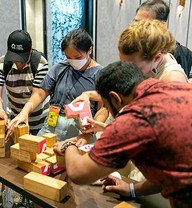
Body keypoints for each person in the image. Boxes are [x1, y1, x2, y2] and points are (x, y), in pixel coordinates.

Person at [53, 61, 192, 208]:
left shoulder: (133, 118)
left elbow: (78, 173)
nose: (107, 109)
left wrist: (68, 146)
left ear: (116, 99)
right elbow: (171, 169)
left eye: (106, 105)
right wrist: (133, 189)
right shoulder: (171, 88)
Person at [8, 28, 103, 142]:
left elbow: (103, 109)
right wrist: (24, 112)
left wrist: (90, 133)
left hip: (81, 129)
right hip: (52, 124)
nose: (73, 61)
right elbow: (39, 93)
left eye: (77, 57)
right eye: (68, 57)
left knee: (71, 158)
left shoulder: (100, 74)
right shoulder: (60, 68)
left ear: (90, 50)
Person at [0, 29, 50, 208]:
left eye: (21, 57)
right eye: (14, 56)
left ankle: (32, 198)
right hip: (13, 116)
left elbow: (37, 95)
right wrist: (0, 109)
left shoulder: (40, 63)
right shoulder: (2, 63)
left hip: (38, 118)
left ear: (30, 50)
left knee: (35, 162)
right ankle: (7, 194)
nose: (17, 62)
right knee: (8, 159)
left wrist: (24, 113)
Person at [134, 0, 192, 78]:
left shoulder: (175, 53)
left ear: (162, 25)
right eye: (136, 22)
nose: (138, 27)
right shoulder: (134, 44)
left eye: (145, 24)